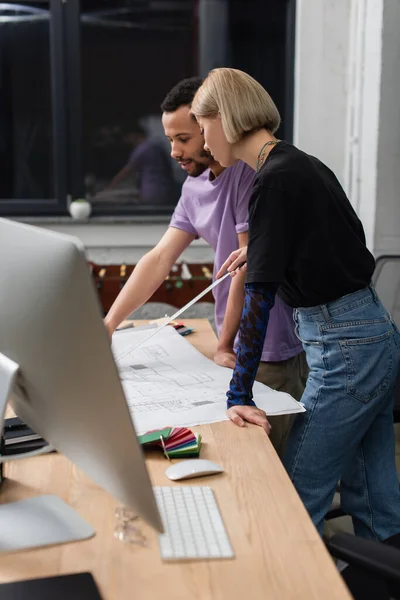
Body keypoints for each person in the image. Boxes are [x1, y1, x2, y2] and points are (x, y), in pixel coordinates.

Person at [191, 67, 400, 539]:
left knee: (290, 495)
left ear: (224, 119)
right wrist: (264, 246)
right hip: (370, 334)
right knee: (373, 495)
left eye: (203, 129)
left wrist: (238, 395)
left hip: (344, 347)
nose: (205, 144)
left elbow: (259, 300)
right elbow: (342, 243)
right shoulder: (297, 163)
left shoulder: (273, 181)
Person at [104, 77, 308, 456]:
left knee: (264, 466)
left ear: (210, 126)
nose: (173, 152)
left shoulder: (248, 175)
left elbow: (247, 272)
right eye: (169, 140)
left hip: (266, 345)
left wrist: (226, 343)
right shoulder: (193, 187)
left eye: (183, 139)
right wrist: (110, 323)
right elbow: (159, 258)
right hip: (229, 341)